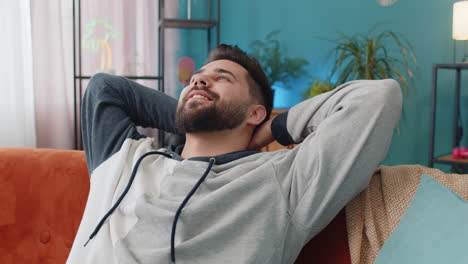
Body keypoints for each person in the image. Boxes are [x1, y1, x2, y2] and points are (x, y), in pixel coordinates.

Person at [66, 44, 402, 264]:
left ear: (255, 113)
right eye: (195, 80)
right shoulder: (129, 158)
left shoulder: (283, 179)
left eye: (220, 78)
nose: (199, 82)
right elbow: (103, 88)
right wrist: (195, 114)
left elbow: (377, 99)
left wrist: (273, 128)